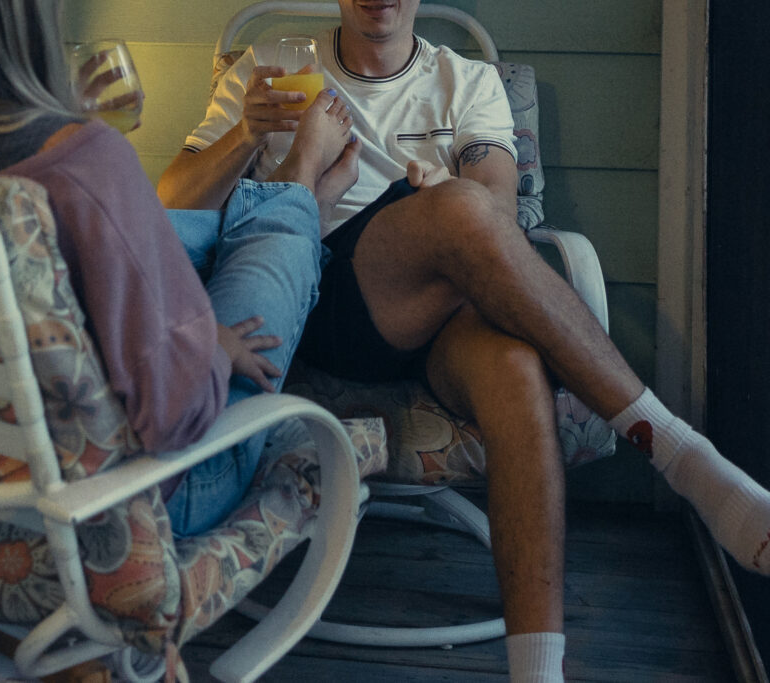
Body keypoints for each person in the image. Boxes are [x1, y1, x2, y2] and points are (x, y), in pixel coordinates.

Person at [157, 1, 770, 680]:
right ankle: (680, 453)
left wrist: (446, 194)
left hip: (443, 312)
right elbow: (170, 203)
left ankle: (537, 669)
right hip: (318, 294)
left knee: (514, 366)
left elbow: (498, 213)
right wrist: (245, 133)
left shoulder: (469, 82)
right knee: (455, 209)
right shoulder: (273, 67)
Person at [0, 0, 358, 538]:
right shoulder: (86, 162)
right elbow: (175, 412)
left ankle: (280, 202)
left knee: (169, 228)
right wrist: (212, 348)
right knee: (274, 238)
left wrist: (56, 124)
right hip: (129, 499)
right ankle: (301, 188)